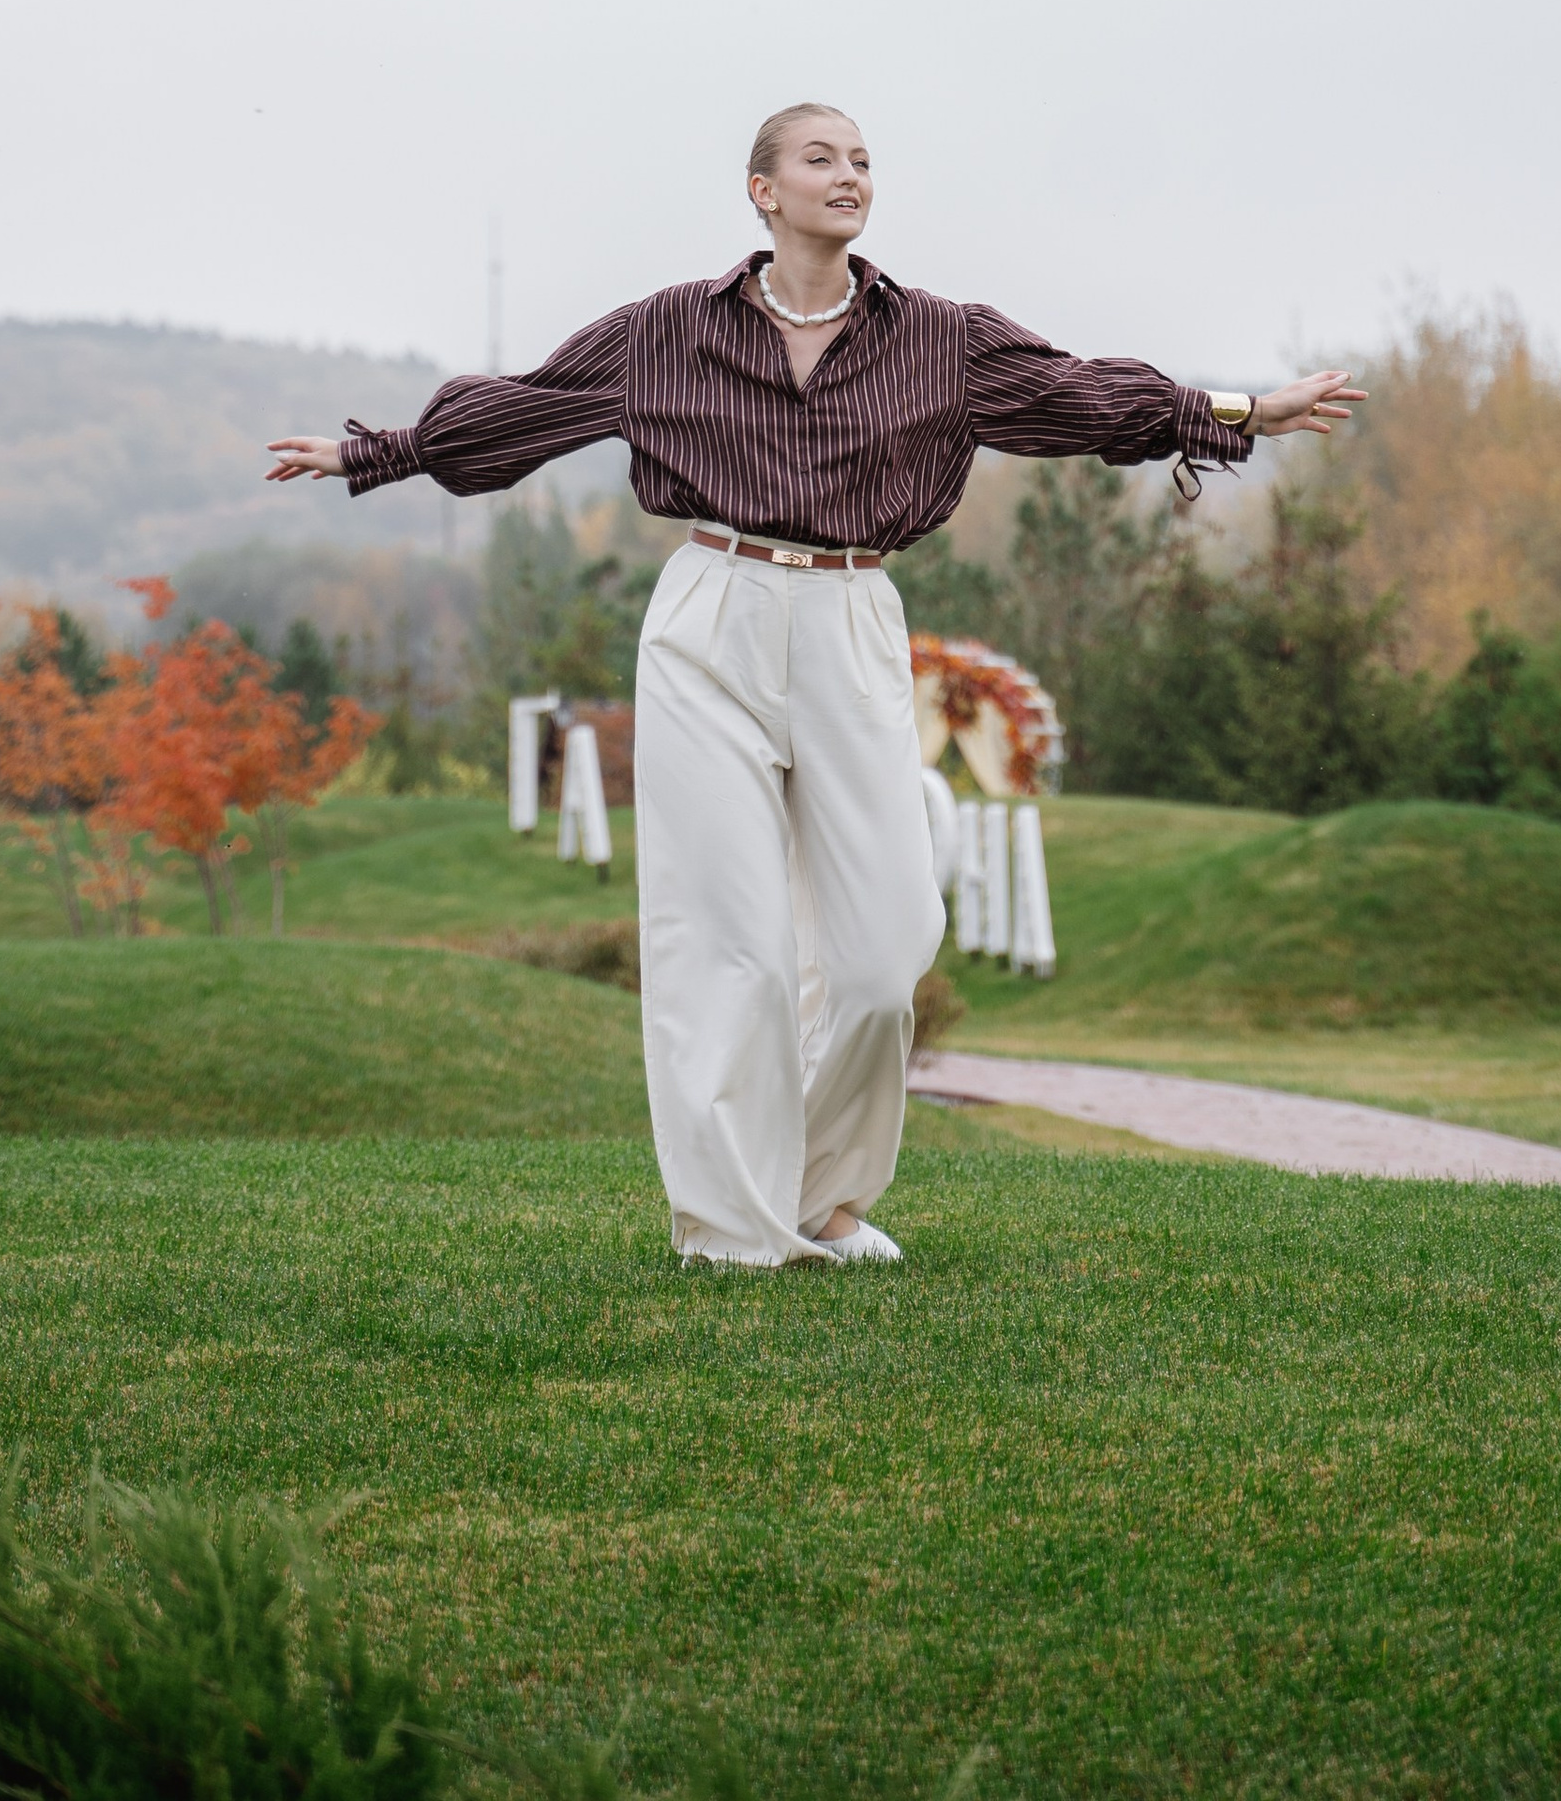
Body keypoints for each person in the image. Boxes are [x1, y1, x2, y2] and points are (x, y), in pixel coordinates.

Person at [267, 103, 1363, 1268]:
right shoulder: (666, 331)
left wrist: (1232, 411)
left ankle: (820, 1197)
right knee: (723, 944)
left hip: (850, 615)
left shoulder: (939, 338)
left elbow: (1079, 396)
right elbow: (530, 408)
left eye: (862, 161)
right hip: (710, 617)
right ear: (762, 190)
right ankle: (732, 1231)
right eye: (820, 159)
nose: (849, 177)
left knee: (885, 951)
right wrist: (374, 451)